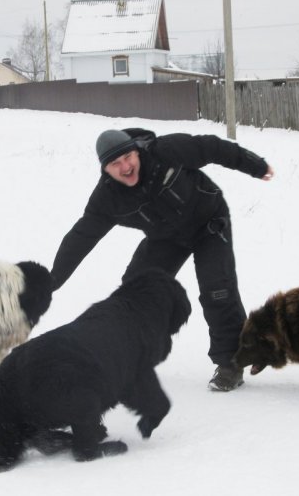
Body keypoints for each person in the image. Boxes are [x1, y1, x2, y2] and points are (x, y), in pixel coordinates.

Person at [50, 128, 274, 391]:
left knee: (217, 288)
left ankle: (232, 363)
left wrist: (255, 165)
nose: (125, 167)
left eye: (128, 157)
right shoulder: (107, 198)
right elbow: (80, 237)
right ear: (105, 170)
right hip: (166, 237)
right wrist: (52, 280)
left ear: (136, 151)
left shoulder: (166, 151)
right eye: (115, 163)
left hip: (209, 223)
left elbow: (212, 147)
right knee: (134, 292)